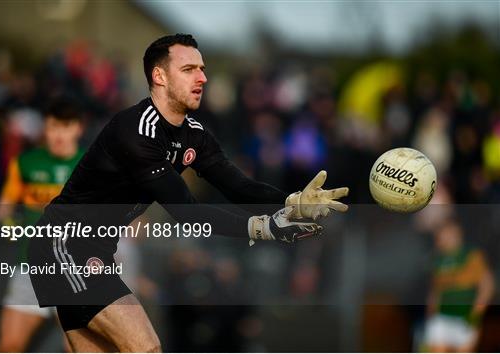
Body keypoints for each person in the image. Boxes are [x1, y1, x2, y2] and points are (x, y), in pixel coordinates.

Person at [27, 33, 349, 352]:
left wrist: (291, 202)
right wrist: (264, 227)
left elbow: (238, 186)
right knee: (147, 348)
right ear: (159, 76)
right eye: (189, 69)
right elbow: (187, 212)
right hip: (63, 245)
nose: (203, 78)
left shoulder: (195, 135)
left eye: (203, 68)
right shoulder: (136, 131)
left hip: (93, 252)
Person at [0, 95, 84, 352]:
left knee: (77, 348)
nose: (58, 135)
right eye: (53, 126)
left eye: (65, 127)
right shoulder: (25, 163)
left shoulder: (90, 165)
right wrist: (10, 229)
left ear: (78, 128)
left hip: (75, 272)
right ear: (45, 127)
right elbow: (3, 212)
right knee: (9, 346)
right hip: (30, 267)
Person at [424, 218, 495, 352]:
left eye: (446, 234)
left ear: (457, 233)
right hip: (442, 318)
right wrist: (431, 313)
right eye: (439, 235)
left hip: (465, 318)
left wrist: (475, 314)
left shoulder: (472, 255)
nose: (442, 239)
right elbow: (435, 290)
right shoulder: (437, 259)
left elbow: (487, 286)